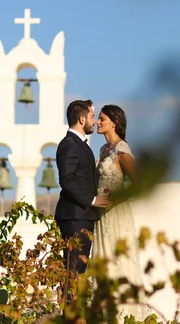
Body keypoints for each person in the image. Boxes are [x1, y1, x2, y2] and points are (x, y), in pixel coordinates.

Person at [92, 104, 149, 321]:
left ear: (114, 122)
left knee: (119, 264)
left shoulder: (122, 150)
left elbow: (138, 184)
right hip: (101, 216)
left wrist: (115, 200)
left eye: (102, 118)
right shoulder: (102, 150)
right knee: (103, 264)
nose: (98, 122)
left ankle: (125, 316)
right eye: (97, 118)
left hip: (117, 214)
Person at [54, 100, 111, 300]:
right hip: (75, 216)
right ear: (81, 119)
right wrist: (92, 200)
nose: (94, 122)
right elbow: (67, 180)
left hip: (81, 216)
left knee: (78, 273)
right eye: (92, 117)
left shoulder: (79, 145)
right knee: (74, 273)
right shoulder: (69, 144)